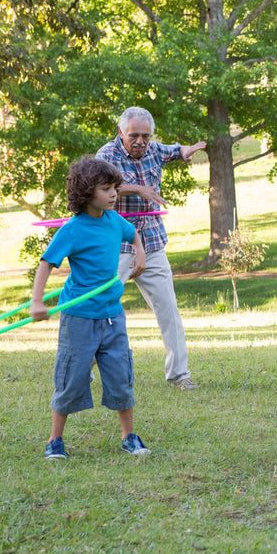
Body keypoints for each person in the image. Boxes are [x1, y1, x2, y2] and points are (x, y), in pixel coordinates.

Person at [33, 158, 149, 460]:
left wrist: (140, 253)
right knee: (70, 379)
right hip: (80, 317)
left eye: (115, 188)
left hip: (112, 314)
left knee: (121, 377)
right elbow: (46, 263)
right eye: (106, 189)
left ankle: (129, 436)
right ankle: (55, 440)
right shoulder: (73, 229)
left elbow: (132, 233)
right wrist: (37, 301)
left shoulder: (113, 221)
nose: (114, 194)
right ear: (86, 192)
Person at [96, 107, 205, 390]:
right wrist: (139, 189)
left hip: (152, 242)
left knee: (168, 309)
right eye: (134, 135)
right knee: (100, 308)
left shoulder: (155, 150)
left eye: (146, 135)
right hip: (116, 245)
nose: (140, 141)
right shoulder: (106, 156)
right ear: (121, 132)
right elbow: (99, 187)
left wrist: (187, 150)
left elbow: (174, 151)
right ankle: (83, 367)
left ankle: (180, 375)